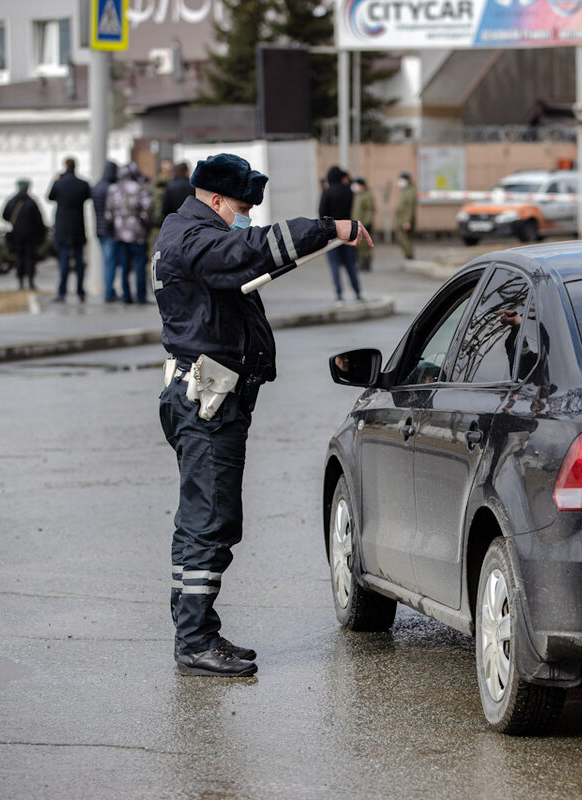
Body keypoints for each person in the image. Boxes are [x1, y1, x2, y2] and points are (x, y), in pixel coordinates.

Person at [153, 152, 372, 677]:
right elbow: (252, 249)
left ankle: (199, 633)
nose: (246, 215)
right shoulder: (198, 238)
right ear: (217, 199)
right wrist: (329, 227)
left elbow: (254, 264)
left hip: (212, 397)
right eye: (242, 207)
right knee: (207, 523)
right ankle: (194, 642)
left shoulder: (190, 231)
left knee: (210, 520)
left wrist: (318, 242)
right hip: (208, 402)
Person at [105, 163, 154, 304]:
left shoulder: (114, 189)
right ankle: (140, 296)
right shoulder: (140, 188)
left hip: (120, 233)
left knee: (124, 265)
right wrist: (146, 225)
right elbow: (148, 209)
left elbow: (108, 213)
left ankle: (126, 295)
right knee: (139, 264)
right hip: (138, 233)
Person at [47, 157, 92, 303]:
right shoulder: (82, 184)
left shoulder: (59, 183)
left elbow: (49, 196)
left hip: (63, 228)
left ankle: (62, 292)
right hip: (78, 227)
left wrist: (56, 179)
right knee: (79, 262)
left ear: (65, 166)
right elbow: (88, 196)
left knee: (64, 262)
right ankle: (80, 291)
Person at [319, 165, 362, 304]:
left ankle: (339, 295)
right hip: (347, 232)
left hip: (332, 234)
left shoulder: (327, 192)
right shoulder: (348, 190)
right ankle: (357, 293)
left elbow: (321, 213)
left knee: (334, 265)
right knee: (351, 264)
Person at [1, 178, 45, 291]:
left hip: (17, 234)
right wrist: (41, 234)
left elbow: (5, 215)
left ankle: (21, 282)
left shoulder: (12, 201)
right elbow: (39, 220)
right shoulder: (31, 202)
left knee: (19, 257)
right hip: (30, 235)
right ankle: (30, 281)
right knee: (30, 258)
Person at [92, 161, 121, 302]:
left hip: (99, 229)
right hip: (111, 231)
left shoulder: (96, 187)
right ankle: (109, 292)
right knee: (110, 263)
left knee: (107, 261)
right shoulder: (112, 188)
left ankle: (110, 290)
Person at [351, 176, 375, 273]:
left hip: (364, 224)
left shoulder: (366, 196)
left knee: (365, 246)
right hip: (357, 224)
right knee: (359, 245)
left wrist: (367, 223)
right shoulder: (357, 195)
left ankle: (366, 264)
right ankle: (360, 263)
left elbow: (369, 211)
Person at [394, 171, 417, 260]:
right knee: (401, 238)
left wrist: (407, 221)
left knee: (404, 238)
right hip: (400, 219)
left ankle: (409, 256)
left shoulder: (410, 191)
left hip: (405, 219)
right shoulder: (404, 190)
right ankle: (408, 255)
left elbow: (409, 207)